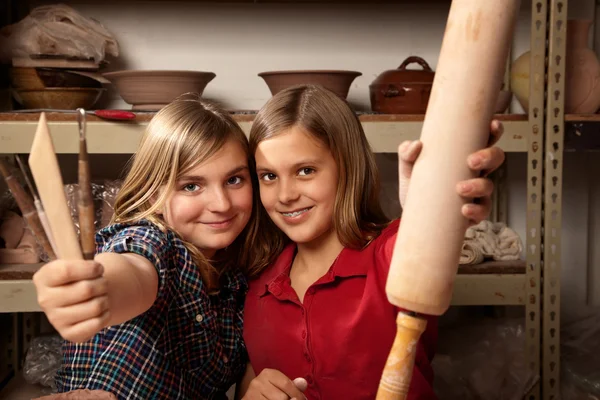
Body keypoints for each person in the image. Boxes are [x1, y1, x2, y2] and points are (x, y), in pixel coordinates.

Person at [239, 85, 505, 399]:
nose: (285, 195)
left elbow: (432, 233)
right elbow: (253, 376)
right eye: (269, 176)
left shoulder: (392, 255)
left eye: (305, 171)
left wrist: (439, 198)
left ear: (348, 168)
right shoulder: (259, 279)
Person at [32, 96, 271, 399]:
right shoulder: (152, 241)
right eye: (191, 186)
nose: (221, 204)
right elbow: (132, 270)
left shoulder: (238, 279)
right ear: (152, 193)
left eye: (234, 179)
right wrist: (96, 288)